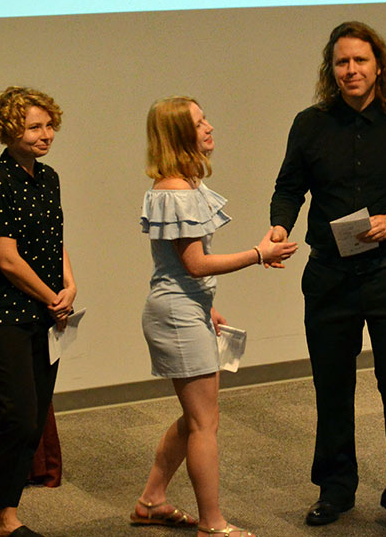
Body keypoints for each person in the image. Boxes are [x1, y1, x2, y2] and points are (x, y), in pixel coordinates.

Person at [269, 22, 386, 537]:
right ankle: (335, 490)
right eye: (342, 62)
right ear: (332, 69)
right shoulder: (310, 123)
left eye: (360, 61)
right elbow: (289, 186)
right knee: (332, 387)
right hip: (329, 277)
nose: (351, 71)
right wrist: (280, 223)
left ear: (378, 66)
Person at [133, 96, 298, 537]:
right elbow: (194, 264)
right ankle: (212, 524)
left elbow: (184, 267)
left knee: (195, 417)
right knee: (205, 423)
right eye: (199, 122)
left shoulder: (184, 185)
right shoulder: (175, 191)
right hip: (175, 313)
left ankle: (151, 501)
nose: (209, 128)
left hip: (186, 309)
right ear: (179, 136)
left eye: (206, 118)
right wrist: (258, 254)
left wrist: (206, 307)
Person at [0, 86, 77, 537]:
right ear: (9, 130)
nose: (46, 134)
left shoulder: (47, 177)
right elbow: (7, 259)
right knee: (17, 414)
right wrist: (50, 294)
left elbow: (55, 239)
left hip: (44, 313)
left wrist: (69, 283)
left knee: (34, 419)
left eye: (49, 125)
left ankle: (8, 514)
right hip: (4, 314)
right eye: (35, 127)